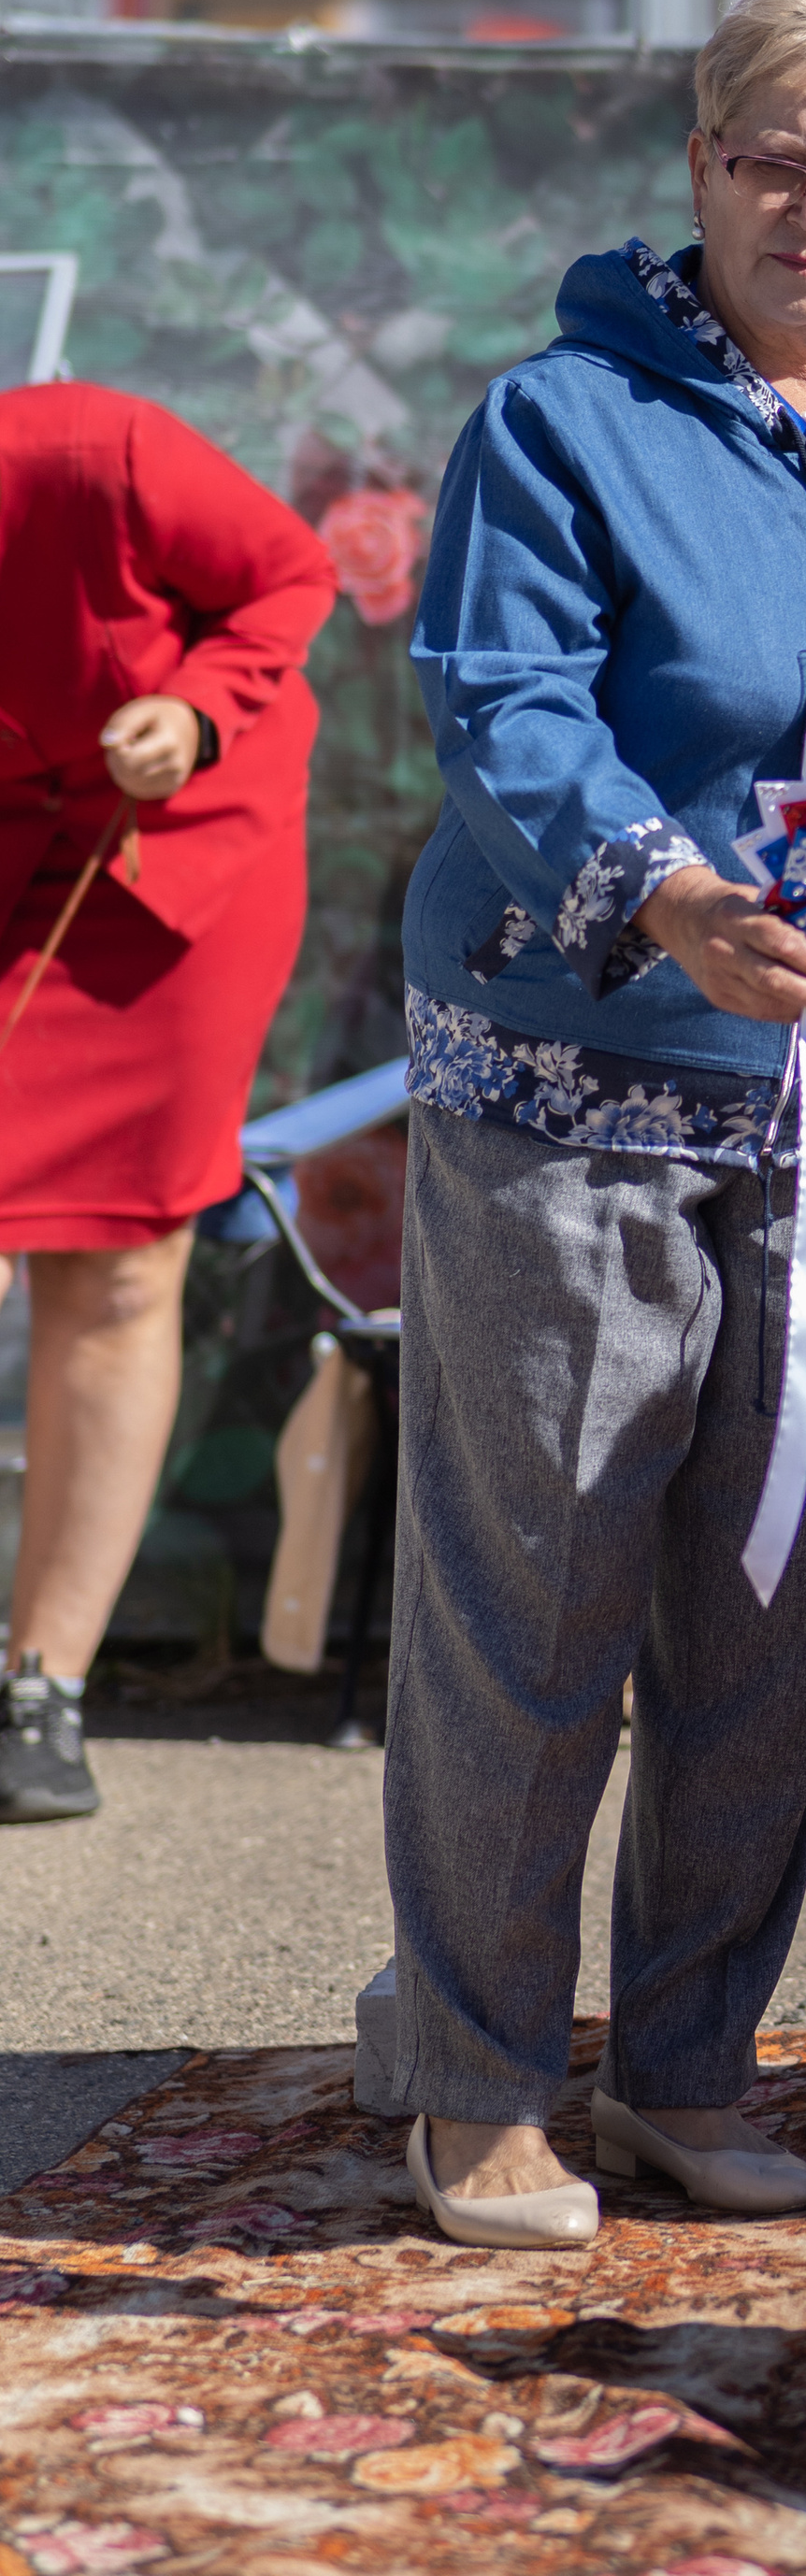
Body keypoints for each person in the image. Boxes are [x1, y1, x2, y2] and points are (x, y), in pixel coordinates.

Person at [390, 0, 806, 2247]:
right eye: (776, 152)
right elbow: (500, 702)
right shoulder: (556, 420)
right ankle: (470, 2070)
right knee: (537, 1601)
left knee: (771, 1610)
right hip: (571, 1084)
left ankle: (680, 2061)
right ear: (697, 152)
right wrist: (665, 894)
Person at [0, 387, 336, 1825]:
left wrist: (192, 710)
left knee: (121, 1269)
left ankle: (38, 1689)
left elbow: (292, 576)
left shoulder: (98, 451)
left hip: (169, 858)